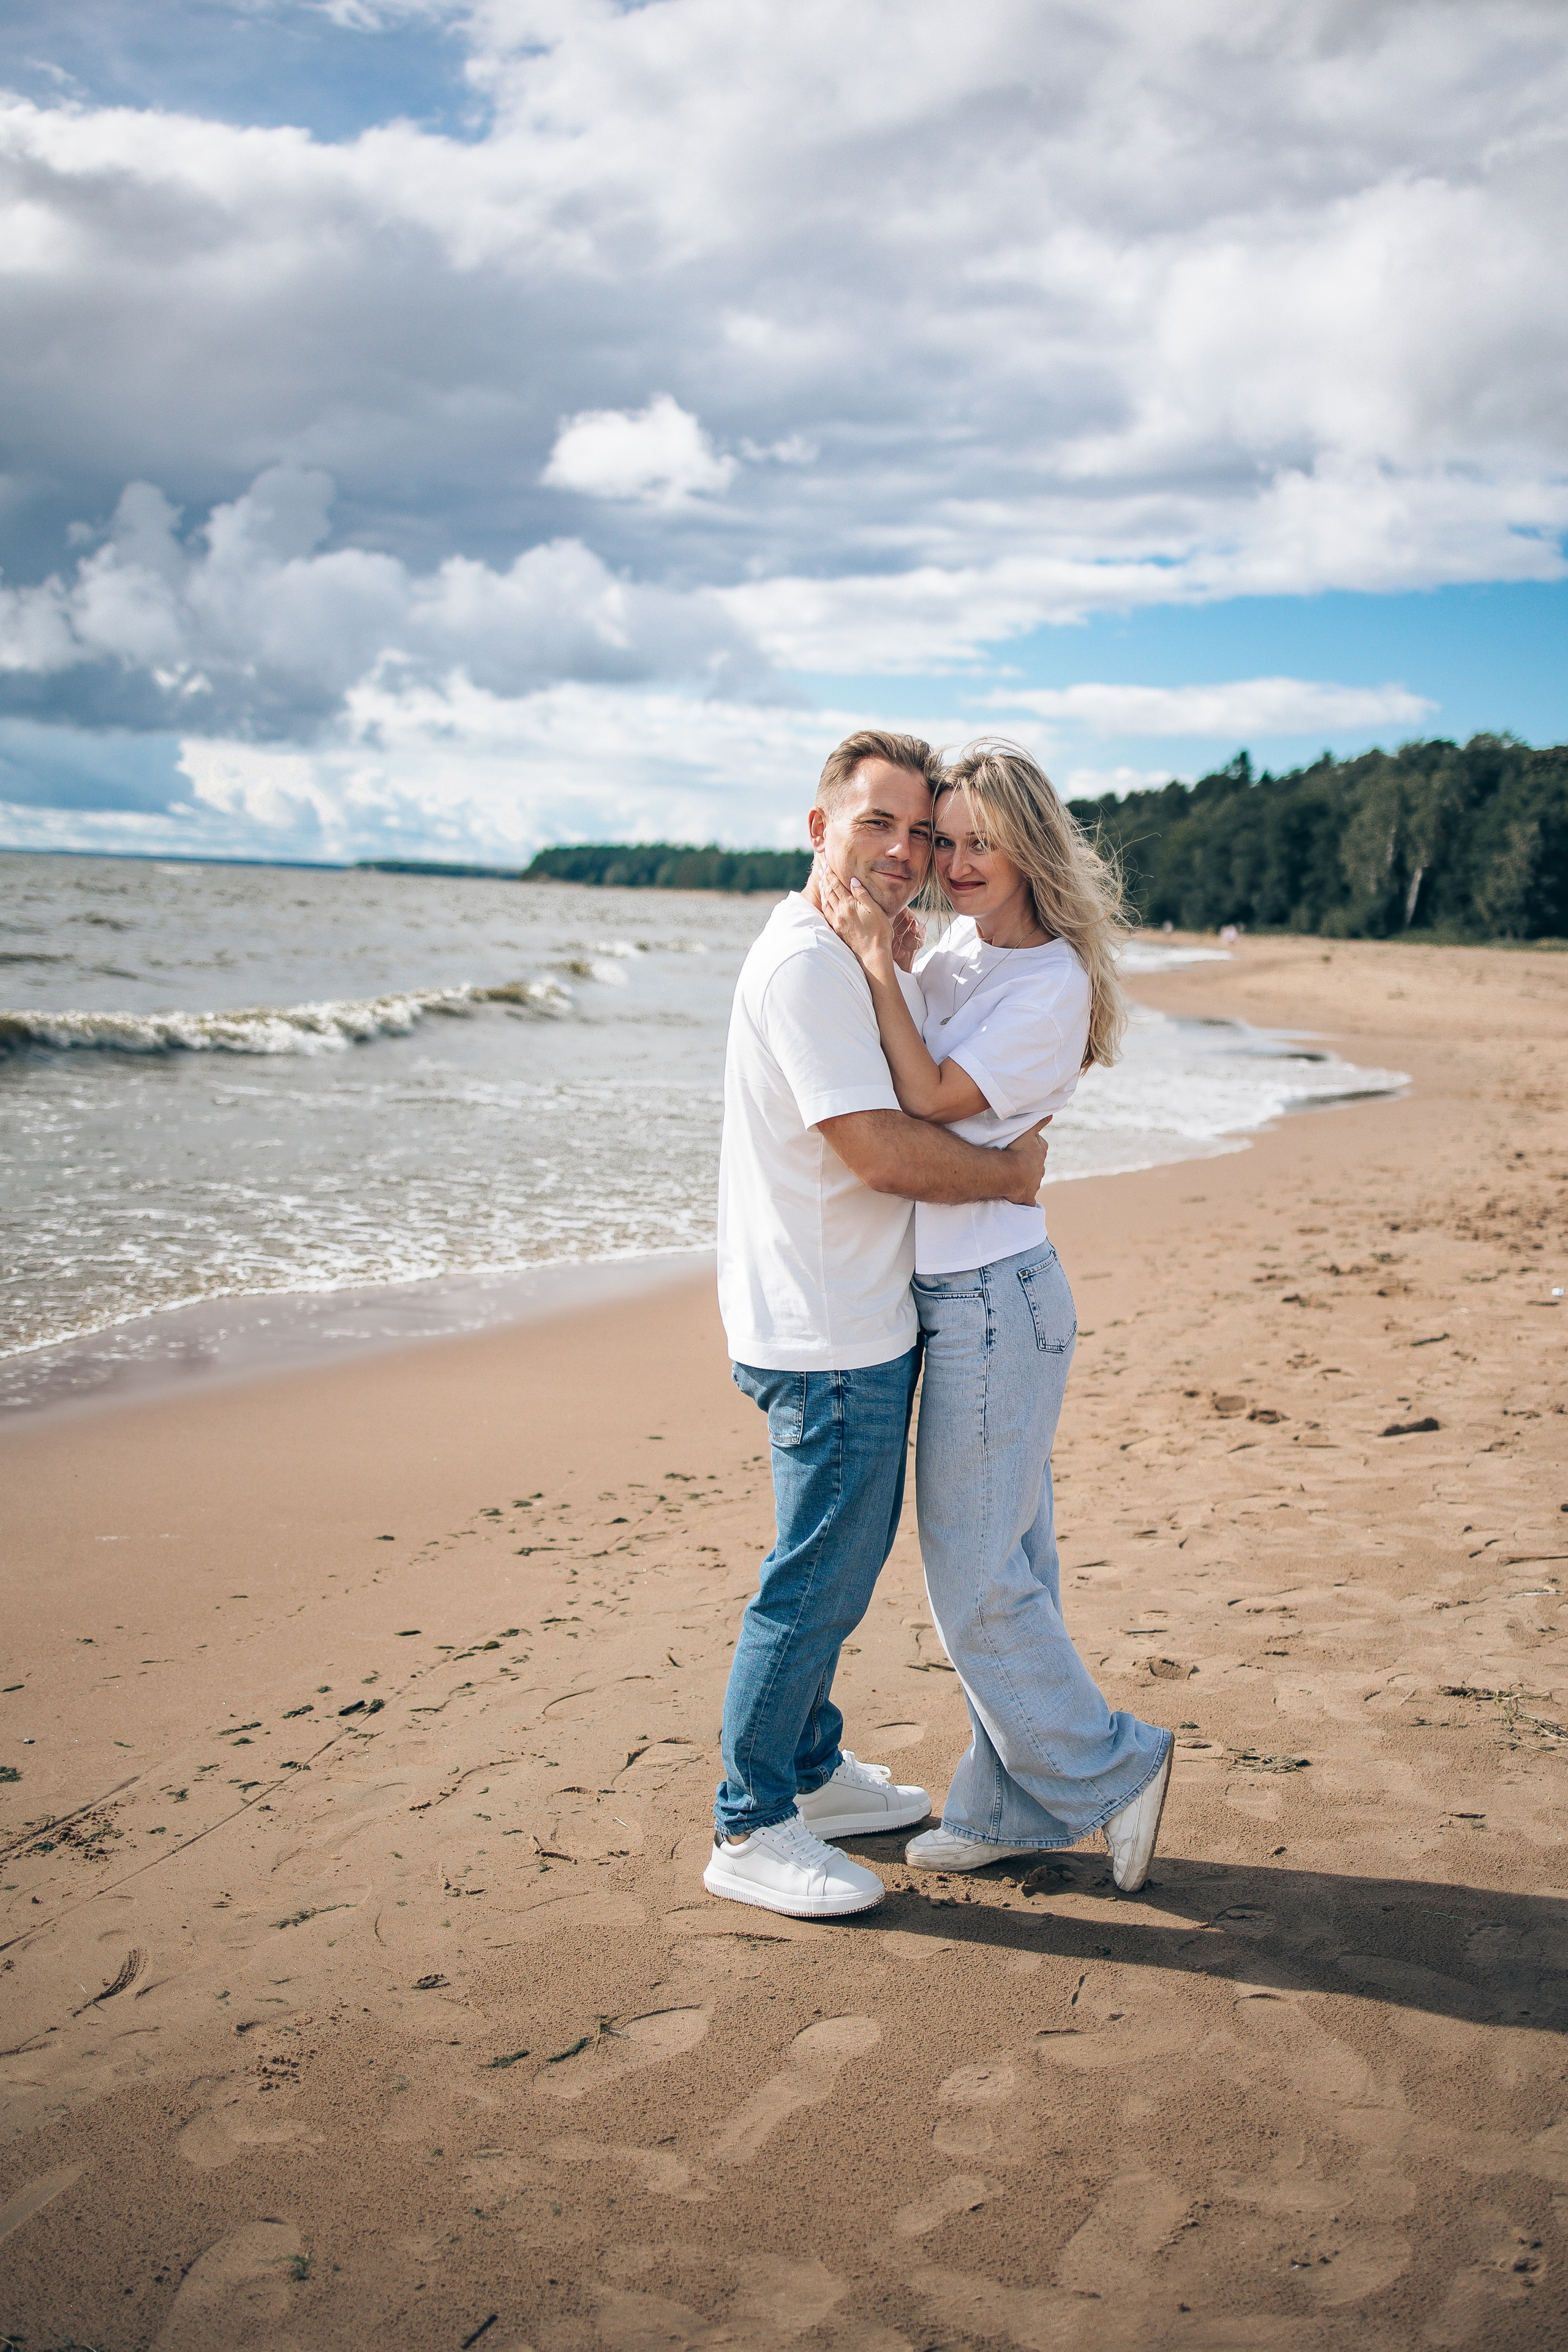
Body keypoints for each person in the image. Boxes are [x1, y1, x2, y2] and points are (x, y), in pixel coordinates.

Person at [704, 729, 1052, 1920]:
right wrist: (1007, 1177)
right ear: (818, 827)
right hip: (826, 1335)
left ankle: (809, 1772)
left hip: (842, 1316)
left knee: (831, 1569)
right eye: (878, 824)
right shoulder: (808, 964)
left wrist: (886, 966)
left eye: (922, 831)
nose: (905, 852)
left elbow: (899, 1084)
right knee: (815, 1584)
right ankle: (751, 1823)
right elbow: (874, 1149)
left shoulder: (844, 951)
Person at [816, 739, 1173, 1893]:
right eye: (943, 840)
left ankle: (1115, 1766)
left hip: (995, 1302)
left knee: (972, 1583)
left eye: (978, 842)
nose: (953, 864)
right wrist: (909, 968)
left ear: (1031, 849)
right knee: (1013, 1565)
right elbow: (913, 1063)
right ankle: (1010, 1807)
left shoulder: (1050, 981)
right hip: (964, 1298)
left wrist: (875, 958)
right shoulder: (968, 955)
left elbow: (924, 1097)